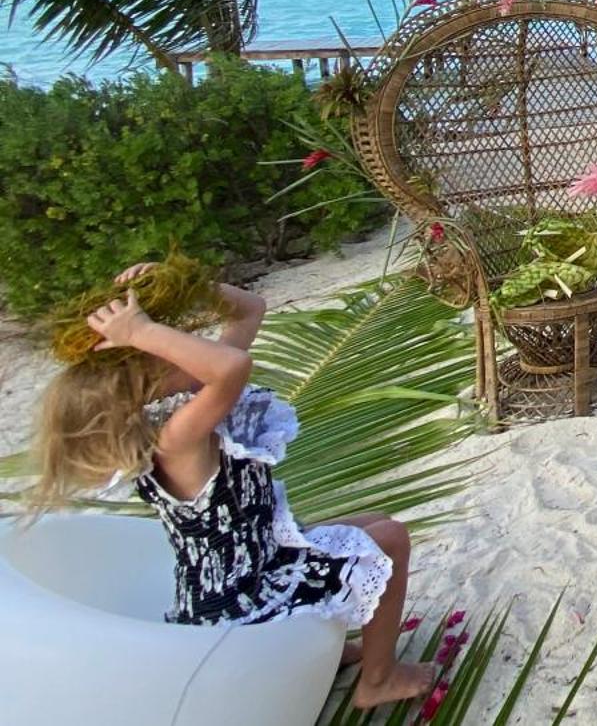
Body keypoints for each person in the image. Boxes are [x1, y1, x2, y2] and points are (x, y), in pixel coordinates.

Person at [31, 263, 430, 709]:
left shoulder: (184, 407)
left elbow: (250, 312)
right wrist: (141, 331)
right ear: (149, 384)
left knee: (373, 523)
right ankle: (378, 681)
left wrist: (188, 282)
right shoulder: (175, 438)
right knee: (389, 540)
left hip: (262, 562)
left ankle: (325, 655)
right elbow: (233, 365)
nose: (189, 350)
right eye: (173, 350)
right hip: (237, 606)